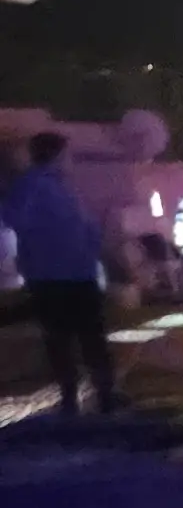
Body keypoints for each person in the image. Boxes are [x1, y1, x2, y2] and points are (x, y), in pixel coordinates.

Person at [4, 133, 119, 415]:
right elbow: (15, 218)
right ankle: (77, 398)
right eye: (68, 155)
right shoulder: (33, 186)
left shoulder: (60, 187)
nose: (72, 161)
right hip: (55, 276)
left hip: (71, 273)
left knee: (78, 338)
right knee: (70, 338)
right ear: (57, 155)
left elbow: (83, 226)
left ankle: (99, 396)